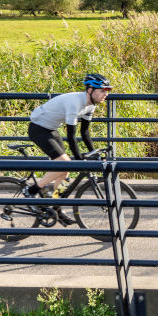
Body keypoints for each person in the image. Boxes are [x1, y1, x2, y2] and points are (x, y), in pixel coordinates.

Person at [23, 73, 112, 225]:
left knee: (65, 171)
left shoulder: (90, 105)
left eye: (107, 90)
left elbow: (85, 132)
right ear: (90, 90)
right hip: (38, 129)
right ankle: (32, 190)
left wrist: (93, 153)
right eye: (103, 90)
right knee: (66, 162)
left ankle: (56, 207)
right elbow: (71, 136)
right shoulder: (74, 103)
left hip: (51, 129)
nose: (106, 94)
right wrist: (79, 160)